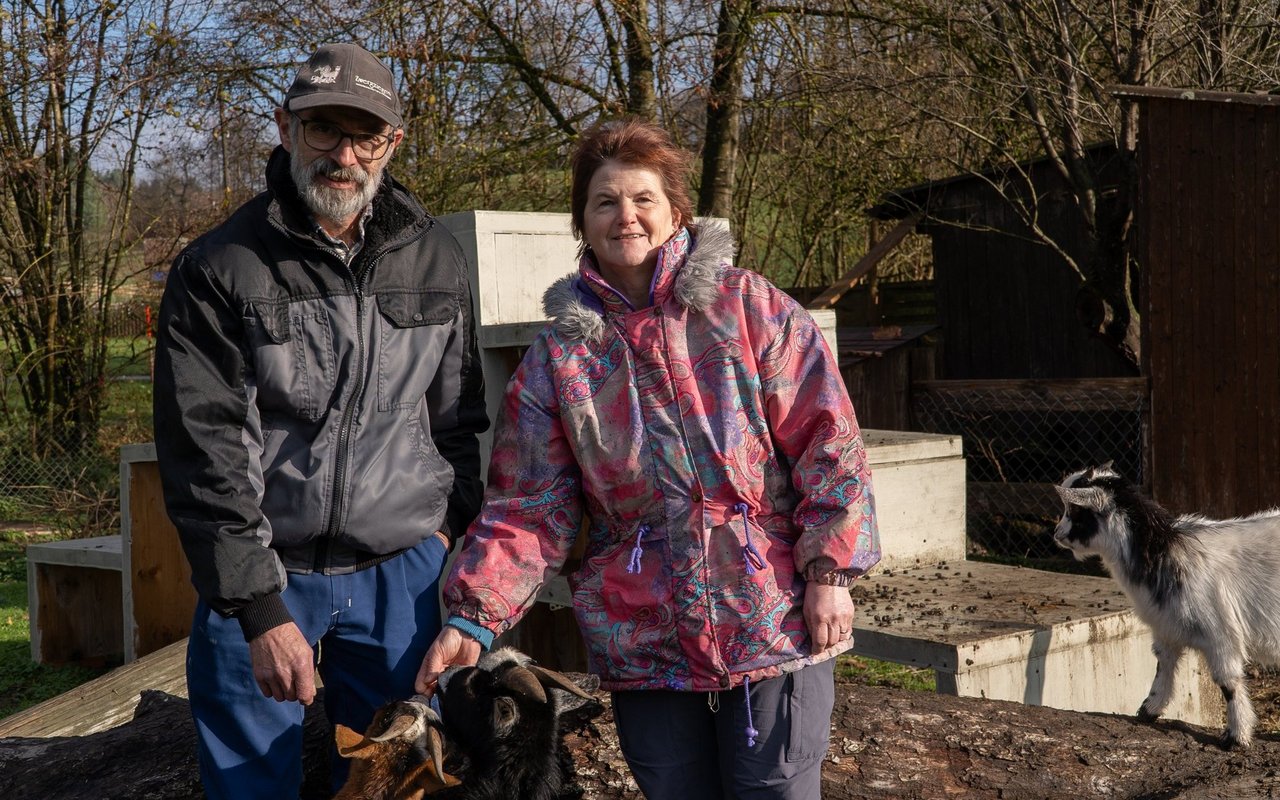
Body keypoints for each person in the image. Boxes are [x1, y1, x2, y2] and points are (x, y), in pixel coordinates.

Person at [417, 118, 880, 799]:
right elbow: (526, 507)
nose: (624, 216)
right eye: (604, 202)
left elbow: (829, 441)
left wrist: (830, 571)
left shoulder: (750, 310)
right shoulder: (559, 362)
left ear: (675, 212)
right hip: (645, 640)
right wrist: (473, 615)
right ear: (582, 222)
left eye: (642, 199)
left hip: (770, 621)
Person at [152, 43, 488, 799]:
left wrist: (443, 532)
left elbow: (460, 420)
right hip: (267, 577)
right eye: (323, 130)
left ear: (392, 144)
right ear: (284, 127)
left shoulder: (435, 258)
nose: (343, 155)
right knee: (251, 790)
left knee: (397, 789)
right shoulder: (220, 267)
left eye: (364, 136)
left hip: (401, 578)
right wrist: (258, 607)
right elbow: (204, 451)